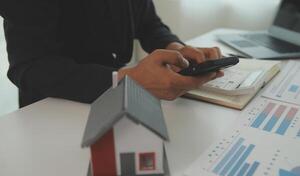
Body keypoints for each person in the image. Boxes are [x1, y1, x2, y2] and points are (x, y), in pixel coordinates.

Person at [0, 0, 223, 107]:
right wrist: (126, 81)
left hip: (114, 106)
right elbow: (29, 66)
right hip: (51, 108)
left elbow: (148, 23)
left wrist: (176, 49)